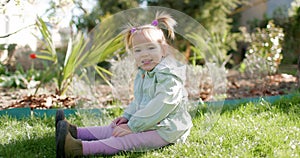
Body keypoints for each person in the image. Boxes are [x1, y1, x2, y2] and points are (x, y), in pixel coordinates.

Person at [56, 12, 193, 157]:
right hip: (151, 121)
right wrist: (127, 117)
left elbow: (162, 104)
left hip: (168, 129)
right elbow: (140, 101)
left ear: (163, 50)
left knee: (126, 139)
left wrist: (133, 126)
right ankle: (75, 132)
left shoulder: (168, 76)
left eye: (151, 48)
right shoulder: (144, 73)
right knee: (115, 128)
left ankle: (77, 148)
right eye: (138, 50)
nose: (144, 54)